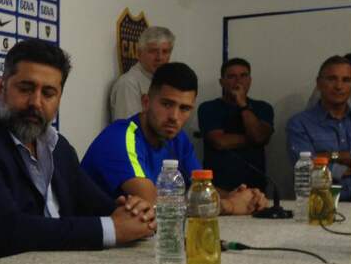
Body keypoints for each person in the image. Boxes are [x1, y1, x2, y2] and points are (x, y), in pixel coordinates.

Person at [0, 39, 157, 264]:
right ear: (1, 88)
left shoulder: (57, 147)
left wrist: (137, 213)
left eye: (48, 93)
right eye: (25, 89)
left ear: (59, 99)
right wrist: (112, 229)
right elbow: (9, 231)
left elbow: (98, 204)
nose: (35, 103)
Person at [82, 62, 269, 215]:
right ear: (146, 102)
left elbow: (200, 190)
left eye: (184, 108)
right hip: (88, 248)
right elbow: (155, 204)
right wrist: (230, 206)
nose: (174, 116)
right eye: (166, 104)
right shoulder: (120, 138)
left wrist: (243, 197)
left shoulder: (177, 139)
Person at [197, 58, 274, 192]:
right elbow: (220, 142)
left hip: (255, 187)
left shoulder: (263, 108)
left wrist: (243, 105)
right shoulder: (208, 108)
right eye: (232, 76)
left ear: (250, 80)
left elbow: (259, 137)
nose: (238, 81)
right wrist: (253, 139)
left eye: (243, 76)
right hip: (219, 188)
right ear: (222, 82)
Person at [287, 55, 351, 202]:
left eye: (346, 80)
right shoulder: (299, 123)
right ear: (318, 83)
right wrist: (344, 169)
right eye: (332, 79)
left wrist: (330, 156)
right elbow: (306, 170)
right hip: (322, 206)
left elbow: (316, 163)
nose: (339, 86)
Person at [109, 26, 175, 121]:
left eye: (165, 52)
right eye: (153, 51)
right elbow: (128, 130)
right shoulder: (128, 84)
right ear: (139, 53)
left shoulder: (163, 81)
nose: (159, 57)